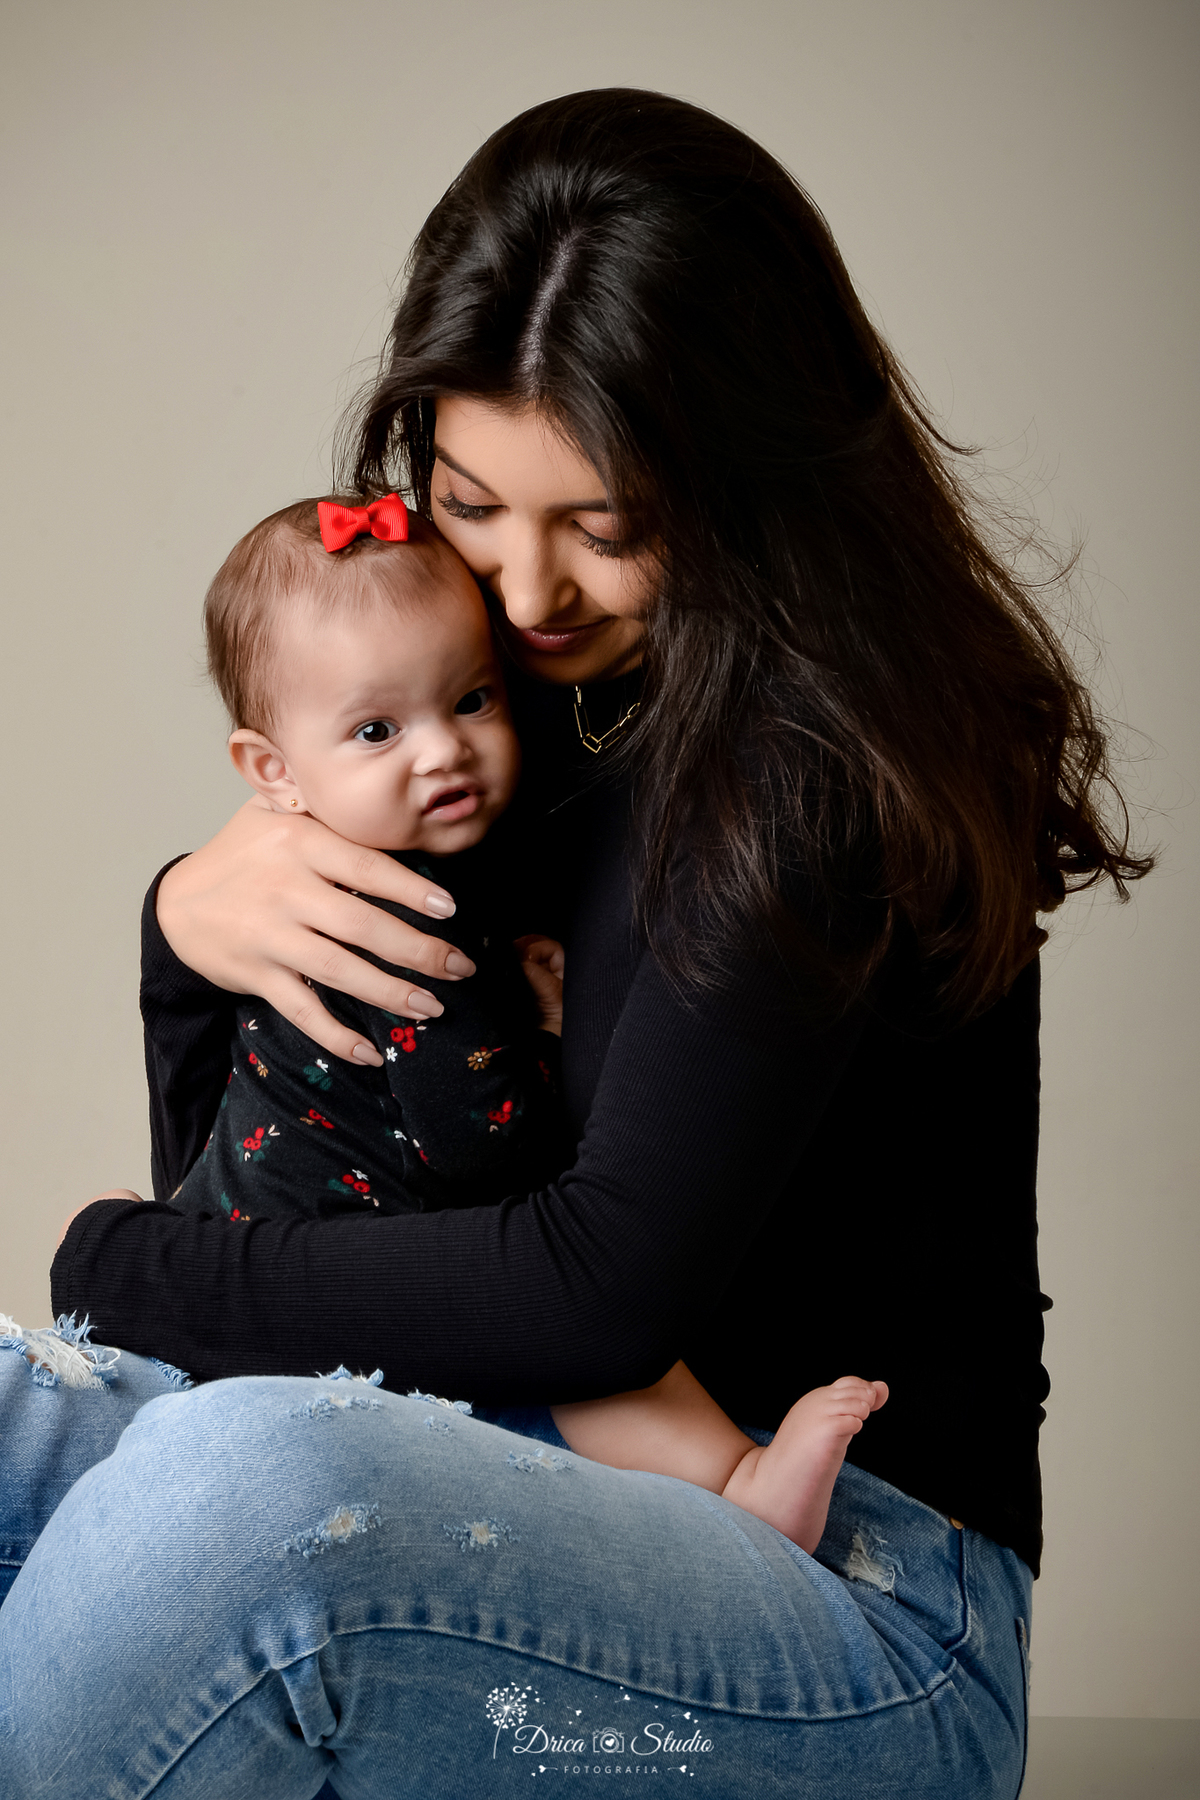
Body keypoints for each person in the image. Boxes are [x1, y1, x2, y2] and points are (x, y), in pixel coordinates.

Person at [0, 88, 1150, 1798]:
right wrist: (187, 932)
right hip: (499, 1457)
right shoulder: (488, 710)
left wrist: (117, 1263)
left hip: (862, 1611)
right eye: (471, 502)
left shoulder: (808, 763)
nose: (529, 591)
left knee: (232, 1503)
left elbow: (594, 1290)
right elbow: (295, 1183)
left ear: (752, 487)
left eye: (607, 529)